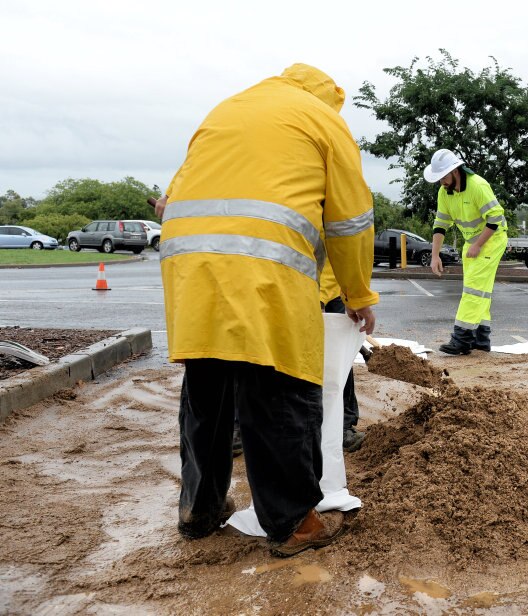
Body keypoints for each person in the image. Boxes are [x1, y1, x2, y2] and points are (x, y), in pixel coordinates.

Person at [157, 63, 378, 557]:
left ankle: (199, 509)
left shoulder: (226, 111)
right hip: (266, 268)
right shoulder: (324, 121)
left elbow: (170, 200)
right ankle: (293, 522)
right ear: (329, 99)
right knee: (278, 387)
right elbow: (350, 221)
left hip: (190, 266)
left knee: (207, 386)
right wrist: (358, 294)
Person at [423, 149, 509, 355]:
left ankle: (461, 339)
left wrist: (478, 244)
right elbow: (440, 225)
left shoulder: (478, 186)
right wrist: (435, 256)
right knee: (479, 291)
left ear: (455, 171)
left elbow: (495, 218)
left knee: (473, 289)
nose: (441, 182)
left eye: (443, 177)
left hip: (491, 239)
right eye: (439, 178)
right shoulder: (444, 192)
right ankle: (481, 339)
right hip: (472, 242)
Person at [320, 261, 366, 453]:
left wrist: (354, 295)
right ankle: (238, 425)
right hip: (296, 286)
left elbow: (346, 248)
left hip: (336, 284)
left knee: (340, 359)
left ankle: (343, 425)